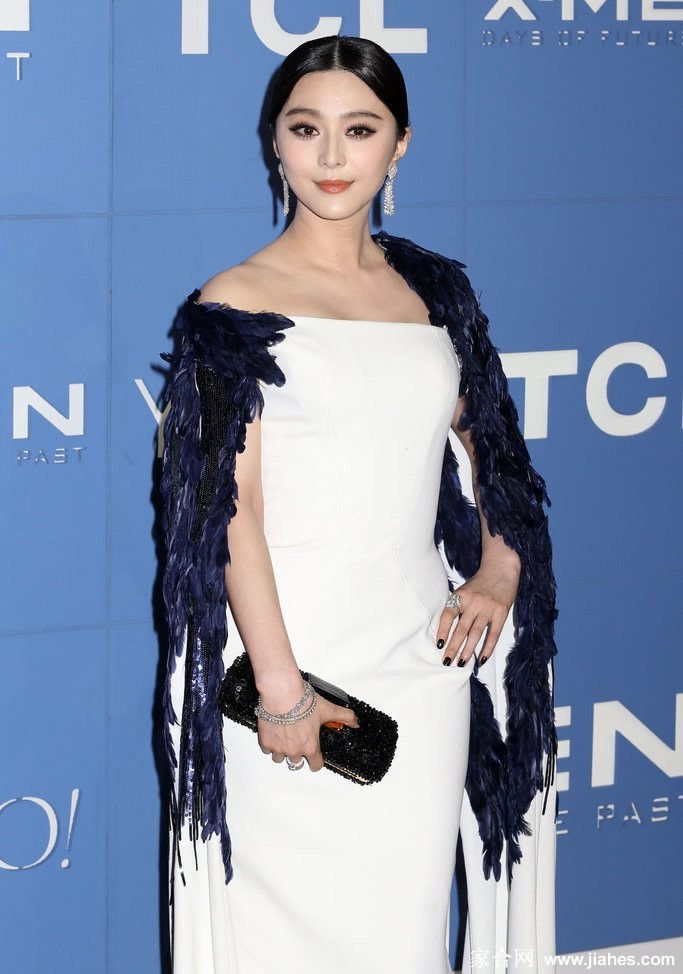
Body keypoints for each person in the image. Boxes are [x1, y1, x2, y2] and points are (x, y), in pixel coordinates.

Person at [161, 35, 558, 974]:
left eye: (360, 129)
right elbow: (226, 512)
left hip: (418, 666)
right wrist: (280, 686)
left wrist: (498, 571)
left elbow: (497, 456)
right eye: (306, 129)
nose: (332, 157)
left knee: (402, 935)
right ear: (274, 141)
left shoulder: (436, 296)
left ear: (400, 144)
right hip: (284, 661)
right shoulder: (234, 305)